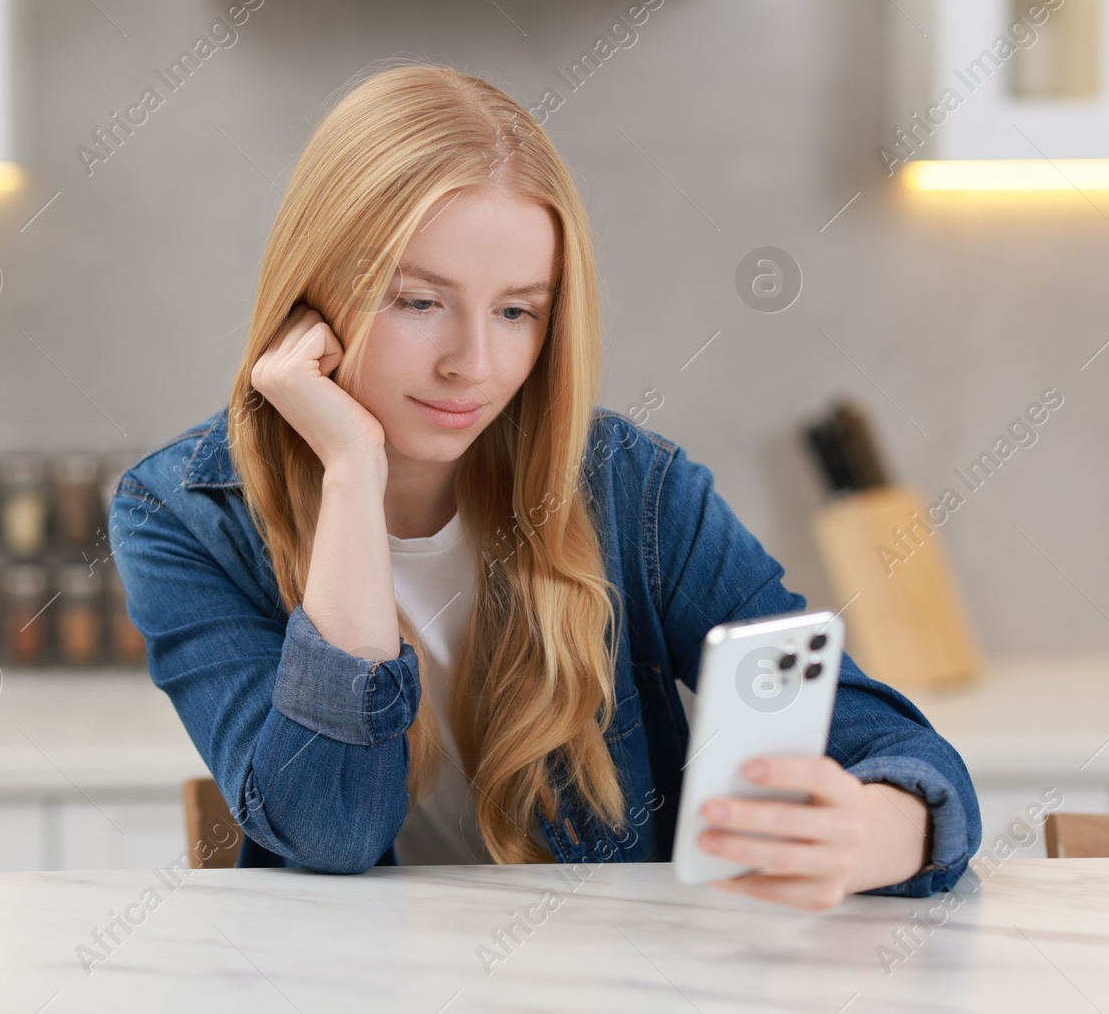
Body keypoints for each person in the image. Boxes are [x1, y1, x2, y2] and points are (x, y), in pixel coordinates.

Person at [109, 61, 980, 912]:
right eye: (417, 301)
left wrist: (866, 828)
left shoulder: (633, 490)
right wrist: (350, 473)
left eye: (517, 310)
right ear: (314, 293)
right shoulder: (181, 515)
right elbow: (329, 830)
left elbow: (908, 757)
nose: (472, 366)